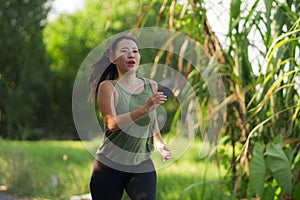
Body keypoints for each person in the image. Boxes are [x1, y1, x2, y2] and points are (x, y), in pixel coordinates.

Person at [88, 35, 171, 200]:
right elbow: (111, 123)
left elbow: (151, 118)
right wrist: (144, 108)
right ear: (113, 58)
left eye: (135, 51)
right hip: (110, 164)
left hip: (141, 162)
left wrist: (160, 143)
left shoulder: (150, 85)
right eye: (124, 51)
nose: (131, 55)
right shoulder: (108, 87)